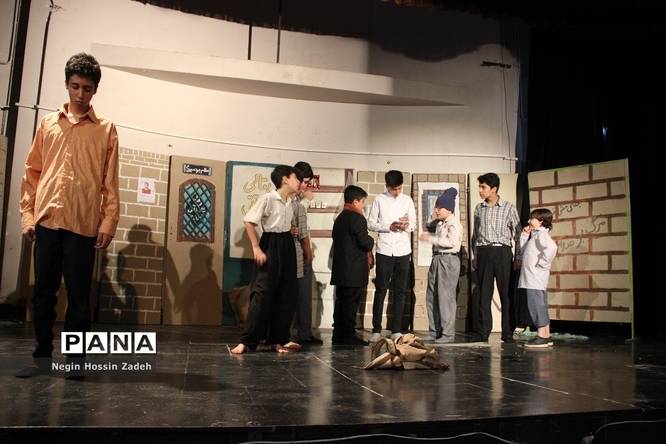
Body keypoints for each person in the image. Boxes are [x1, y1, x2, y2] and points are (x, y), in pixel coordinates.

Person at [17, 53, 120, 378]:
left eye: (87, 88)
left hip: (82, 224)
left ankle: (76, 363)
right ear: (66, 85)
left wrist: (108, 221)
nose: (80, 94)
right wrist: (28, 216)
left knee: (78, 298)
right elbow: (32, 172)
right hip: (47, 221)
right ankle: (41, 359)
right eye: (75, 86)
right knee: (43, 294)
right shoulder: (48, 124)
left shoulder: (106, 130)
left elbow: (110, 181)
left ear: (95, 90)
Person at [230, 165, 302, 354]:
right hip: (271, 243)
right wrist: (256, 247)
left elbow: (284, 223)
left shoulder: (291, 202)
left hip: (287, 244)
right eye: (296, 178)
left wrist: (291, 230)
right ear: (285, 179)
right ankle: (247, 341)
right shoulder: (268, 198)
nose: (299, 182)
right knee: (262, 293)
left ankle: (277, 340)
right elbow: (249, 221)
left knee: (286, 293)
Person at [470, 173, 522, 343]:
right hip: (484, 252)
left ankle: (507, 332)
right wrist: (475, 255)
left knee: (506, 294)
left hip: (502, 252)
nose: (480, 190)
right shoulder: (479, 208)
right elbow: (475, 235)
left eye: (483, 187)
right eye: (479, 187)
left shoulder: (508, 207)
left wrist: (518, 257)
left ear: (494, 189)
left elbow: (518, 234)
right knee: (484, 295)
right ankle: (483, 332)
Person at [367, 170, 417, 342]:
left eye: (399, 188)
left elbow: (414, 224)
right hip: (384, 250)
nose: (397, 192)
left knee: (400, 291)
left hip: (403, 250)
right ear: (387, 186)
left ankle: (396, 329)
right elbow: (371, 224)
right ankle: (376, 330)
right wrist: (389, 226)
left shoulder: (407, 200)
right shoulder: (379, 199)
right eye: (394, 188)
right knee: (381, 289)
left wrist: (405, 225)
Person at [330, 185, 374, 345]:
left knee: (341, 303)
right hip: (353, 270)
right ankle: (348, 336)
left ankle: (338, 335)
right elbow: (365, 242)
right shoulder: (357, 218)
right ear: (355, 202)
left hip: (341, 269)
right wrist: (372, 240)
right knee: (350, 305)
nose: (363, 206)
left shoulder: (340, 218)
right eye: (362, 202)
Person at [419, 188, 463, 344]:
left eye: (440, 207)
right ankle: (434, 331)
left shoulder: (454, 224)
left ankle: (447, 334)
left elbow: (451, 242)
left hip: (448, 260)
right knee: (432, 296)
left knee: (446, 298)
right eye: (436, 207)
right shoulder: (439, 224)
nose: (437, 210)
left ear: (449, 209)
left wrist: (431, 239)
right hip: (437, 258)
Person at [291, 161, 322, 345]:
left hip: (301, 251)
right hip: (291, 252)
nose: (305, 186)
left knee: (304, 294)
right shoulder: (291, 199)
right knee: (291, 294)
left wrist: (308, 249)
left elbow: (303, 227)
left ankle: (304, 332)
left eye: (307, 182)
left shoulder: (297, 199)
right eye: (304, 182)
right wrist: (306, 200)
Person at [519, 209, 558, 348]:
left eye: (532, 219)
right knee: (540, 304)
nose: (529, 221)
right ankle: (546, 335)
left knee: (536, 305)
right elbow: (524, 251)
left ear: (541, 221)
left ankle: (542, 335)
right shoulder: (536, 234)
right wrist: (525, 235)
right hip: (532, 276)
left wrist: (541, 264)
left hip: (535, 276)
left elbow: (552, 248)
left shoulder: (541, 234)